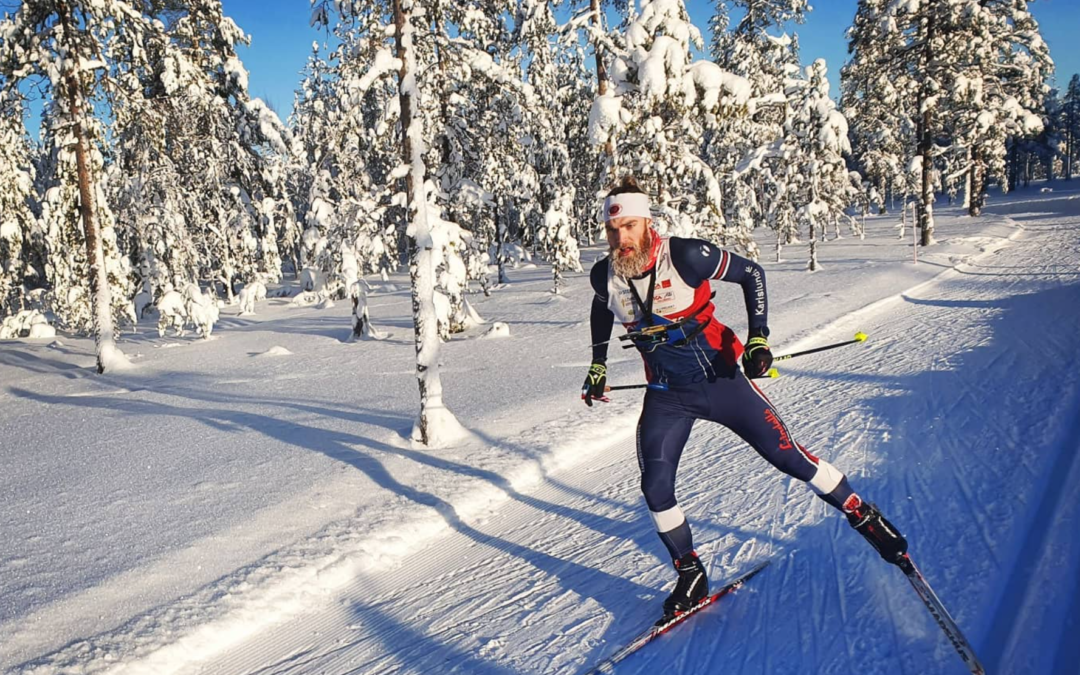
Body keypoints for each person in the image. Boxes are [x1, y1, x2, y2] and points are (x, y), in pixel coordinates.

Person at [582, 177, 907, 619]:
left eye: (630, 227)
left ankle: (860, 512)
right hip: (666, 394)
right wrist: (598, 364)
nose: (622, 239)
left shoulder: (684, 255)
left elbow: (751, 273)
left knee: (788, 457)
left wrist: (758, 339)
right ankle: (690, 572)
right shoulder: (605, 273)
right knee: (655, 487)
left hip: (721, 381)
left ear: (647, 223)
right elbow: (602, 307)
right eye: (613, 230)